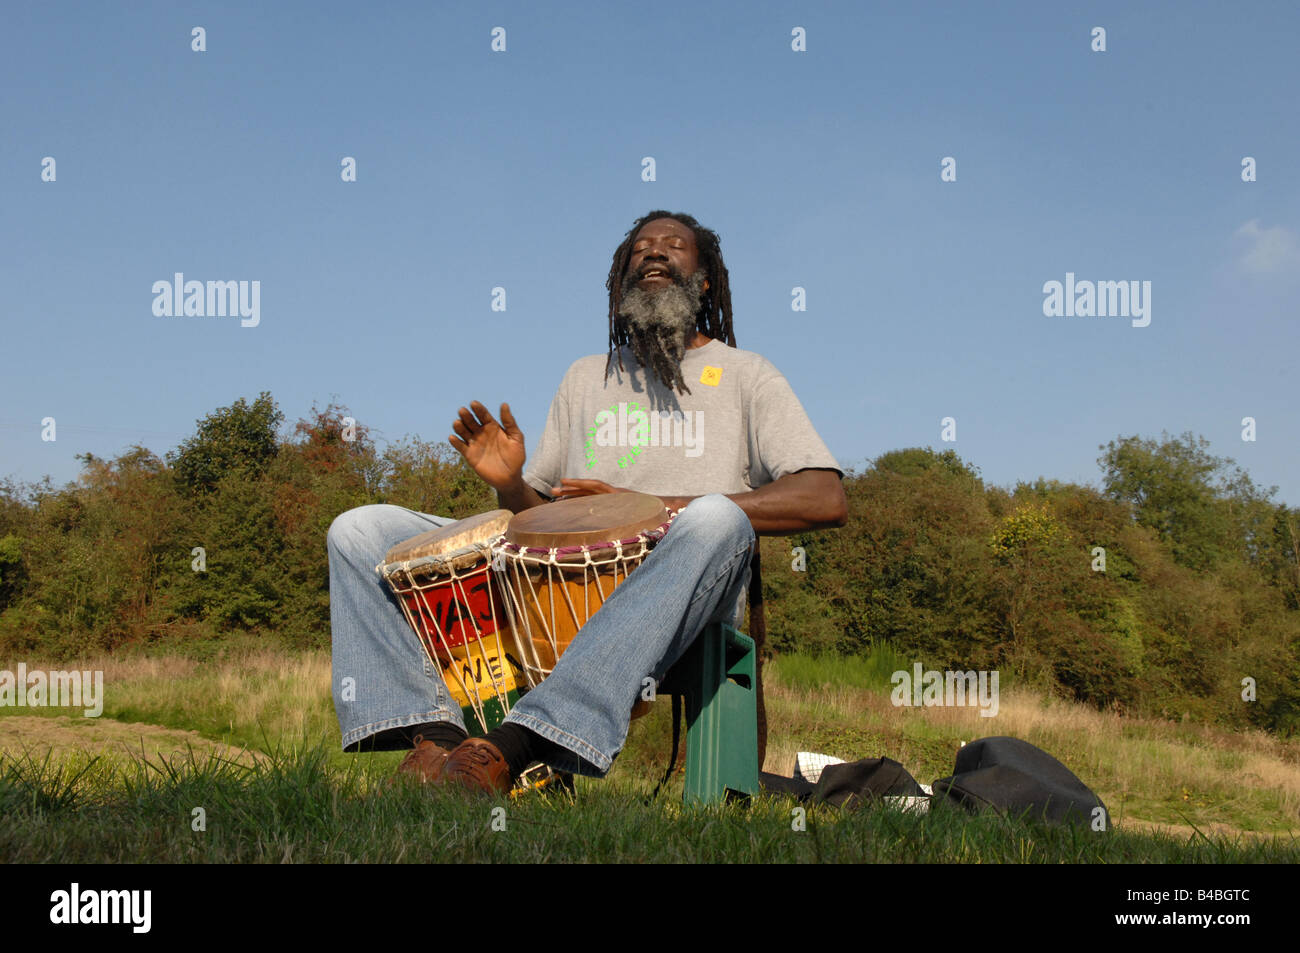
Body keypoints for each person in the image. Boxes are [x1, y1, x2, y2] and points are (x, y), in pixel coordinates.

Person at [327, 210, 847, 794]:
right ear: (620, 283)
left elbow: (825, 497)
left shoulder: (746, 375)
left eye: (674, 246)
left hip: (678, 590)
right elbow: (536, 521)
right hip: (552, 594)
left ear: (703, 283)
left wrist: (650, 504)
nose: (653, 253)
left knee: (718, 518)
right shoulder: (584, 377)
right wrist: (510, 483)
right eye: (639, 250)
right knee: (360, 530)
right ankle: (439, 745)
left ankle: (519, 744)